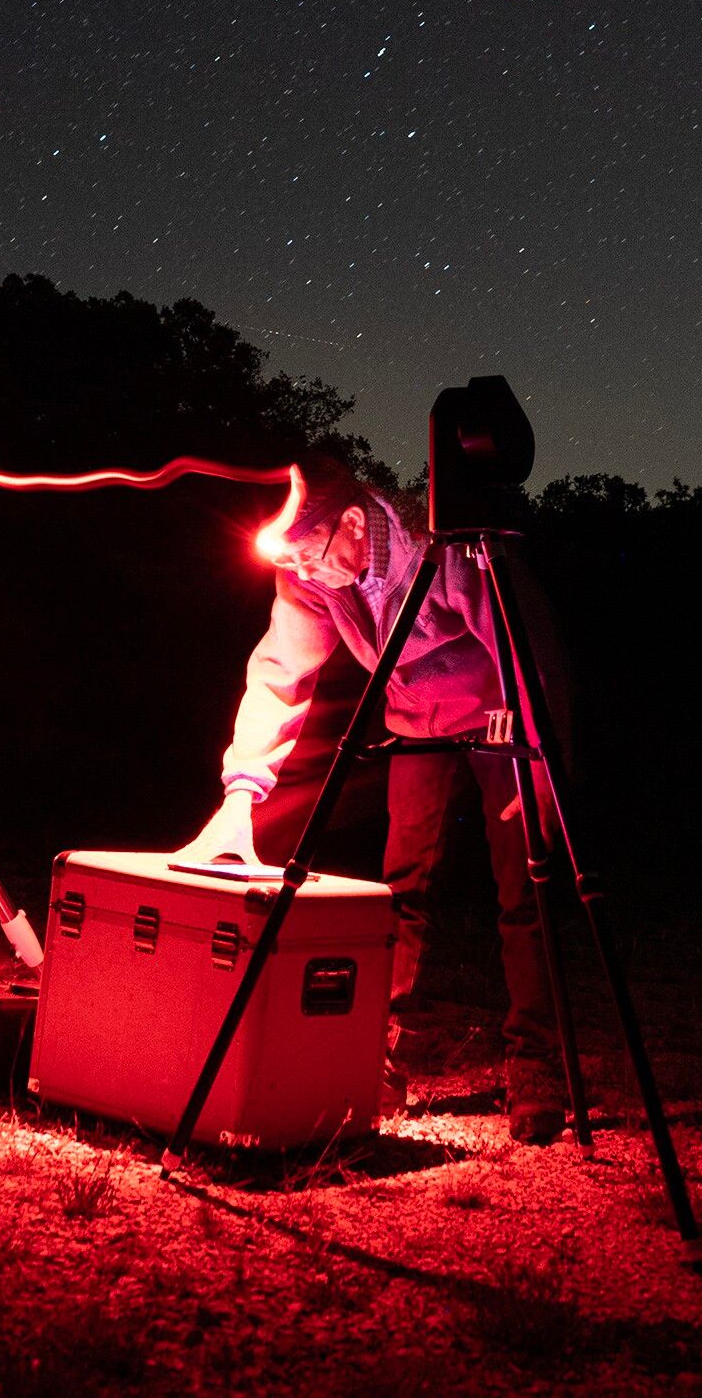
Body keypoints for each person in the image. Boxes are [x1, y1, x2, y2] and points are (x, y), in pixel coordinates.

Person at [181, 458, 567, 1143]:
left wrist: (542, 767)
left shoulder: (449, 550)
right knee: (400, 889)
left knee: (526, 887)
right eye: (290, 559)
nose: (302, 571)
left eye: (309, 553)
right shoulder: (309, 574)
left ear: (354, 523)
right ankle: (377, 1050)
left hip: (500, 716)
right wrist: (242, 789)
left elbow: (526, 650)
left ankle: (536, 1064)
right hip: (414, 718)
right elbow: (280, 673)